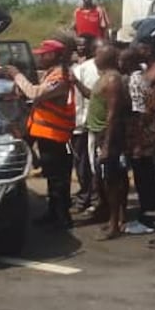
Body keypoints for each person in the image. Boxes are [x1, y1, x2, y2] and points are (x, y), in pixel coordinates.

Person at [4, 39, 76, 229]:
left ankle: (61, 217)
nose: (40, 57)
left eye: (43, 54)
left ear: (53, 55)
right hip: (47, 134)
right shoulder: (52, 73)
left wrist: (17, 75)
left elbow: (35, 93)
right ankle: (53, 213)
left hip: (56, 136)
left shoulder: (59, 76)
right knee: (52, 177)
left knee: (58, 179)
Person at [124, 35, 155, 232]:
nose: (137, 51)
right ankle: (147, 211)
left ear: (149, 49)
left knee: (145, 172)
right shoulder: (146, 69)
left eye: (140, 48)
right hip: (141, 126)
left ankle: (149, 216)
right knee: (141, 171)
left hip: (149, 127)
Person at [84, 45, 129, 240]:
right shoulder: (103, 78)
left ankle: (114, 225)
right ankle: (115, 219)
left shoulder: (112, 80)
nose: (95, 58)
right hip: (99, 133)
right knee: (105, 179)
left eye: (98, 54)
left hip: (107, 135)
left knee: (112, 180)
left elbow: (113, 115)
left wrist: (107, 145)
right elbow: (92, 97)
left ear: (107, 58)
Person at [69, 37, 106, 213]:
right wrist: (78, 123)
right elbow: (78, 99)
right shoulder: (82, 69)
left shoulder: (112, 70)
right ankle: (89, 196)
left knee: (93, 163)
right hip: (85, 123)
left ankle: (94, 198)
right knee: (85, 162)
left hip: (97, 125)